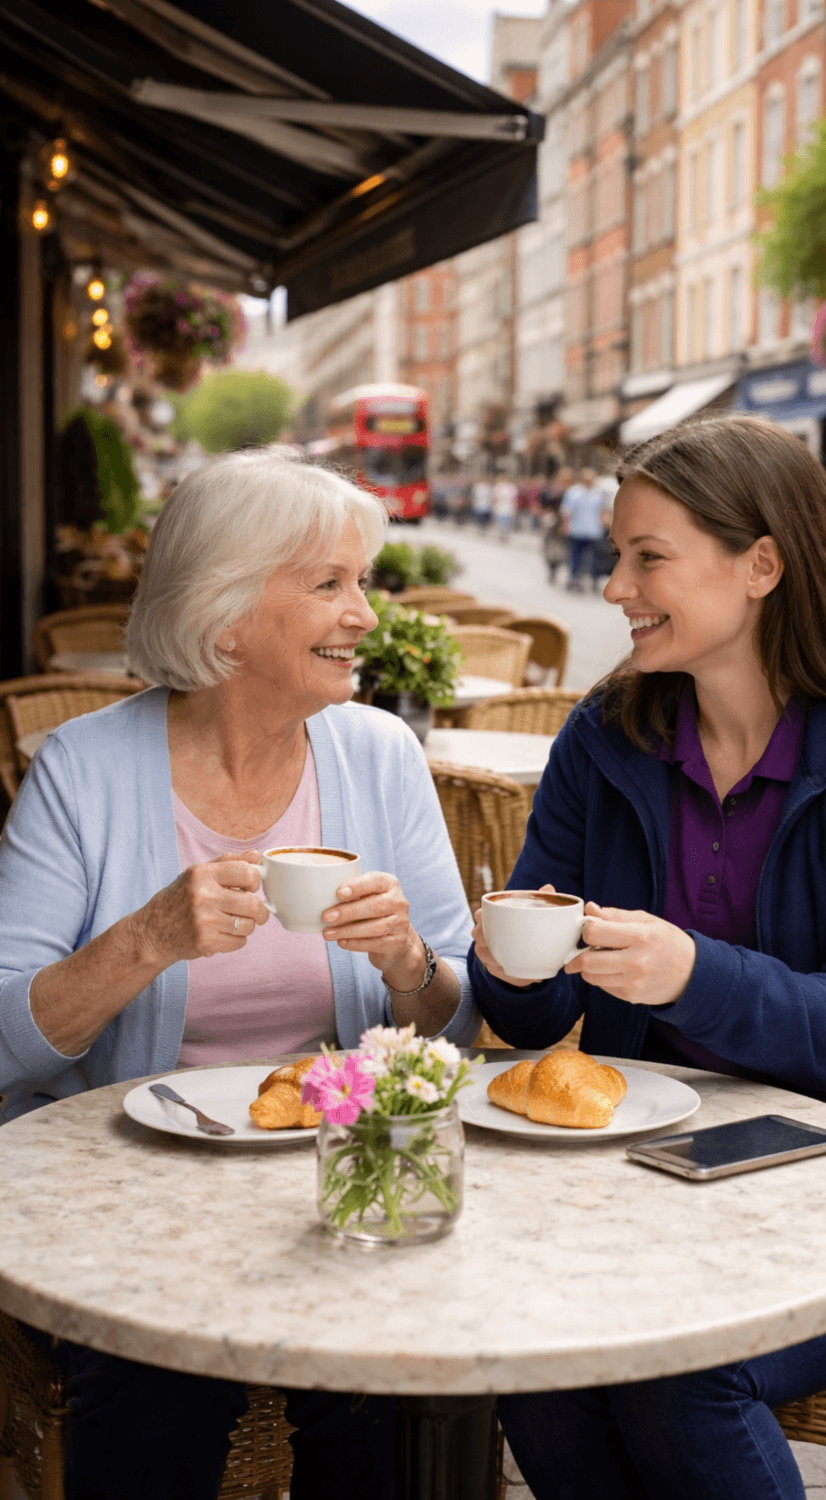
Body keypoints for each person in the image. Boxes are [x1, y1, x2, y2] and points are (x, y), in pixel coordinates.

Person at [469, 415, 826, 1500]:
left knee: (680, 1373)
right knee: (534, 1353)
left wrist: (689, 974)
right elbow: (522, 1026)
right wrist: (509, 959)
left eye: (646, 556)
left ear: (761, 564)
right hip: (649, 1181)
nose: (613, 586)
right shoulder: (601, 739)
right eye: (615, 555)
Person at [0, 447, 481, 1500]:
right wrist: (145, 940)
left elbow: (455, 1025)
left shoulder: (381, 755)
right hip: (130, 1191)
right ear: (224, 615)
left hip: (340, 1180)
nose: (365, 614)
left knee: (397, 1400)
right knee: (151, 1394)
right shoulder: (80, 771)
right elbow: (3, 1040)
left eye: (364, 581)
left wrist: (407, 963)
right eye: (328, 584)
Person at [559, 467, 608, 591]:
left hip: (593, 532)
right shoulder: (573, 492)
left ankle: (594, 580)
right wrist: (565, 525)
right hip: (576, 531)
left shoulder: (599, 493)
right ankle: (574, 578)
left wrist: (604, 524)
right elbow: (565, 511)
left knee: (593, 558)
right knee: (575, 556)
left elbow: (603, 511)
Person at [491, 474, 519, 541]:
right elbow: (494, 498)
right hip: (499, 508)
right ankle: (501, 534)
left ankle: (505, 535)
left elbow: (514, 498)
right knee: (500, 522)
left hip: (508, 508)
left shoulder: (511, 487)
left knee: (507, 522)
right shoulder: (497, 487)